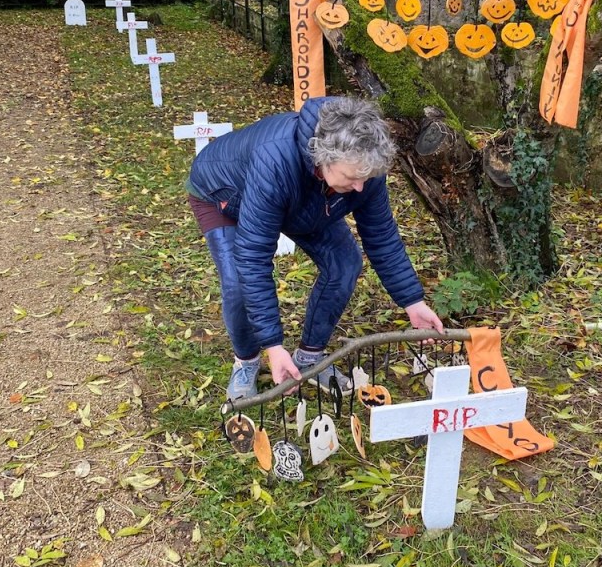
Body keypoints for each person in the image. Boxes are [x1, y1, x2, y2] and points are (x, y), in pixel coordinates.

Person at [185, 96, 444, 401]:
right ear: (324, 157)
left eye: (365, 178)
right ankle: (247, 361)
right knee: (238, 284)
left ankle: (309, 357)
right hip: (223, 192)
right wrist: (272, 344)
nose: (360, 187)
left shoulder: (364, 165)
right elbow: (253, 257)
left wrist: (412, 301)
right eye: (352, 178)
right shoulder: (275, 160)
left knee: (344, 263)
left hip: (305, 198)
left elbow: (382, 235)